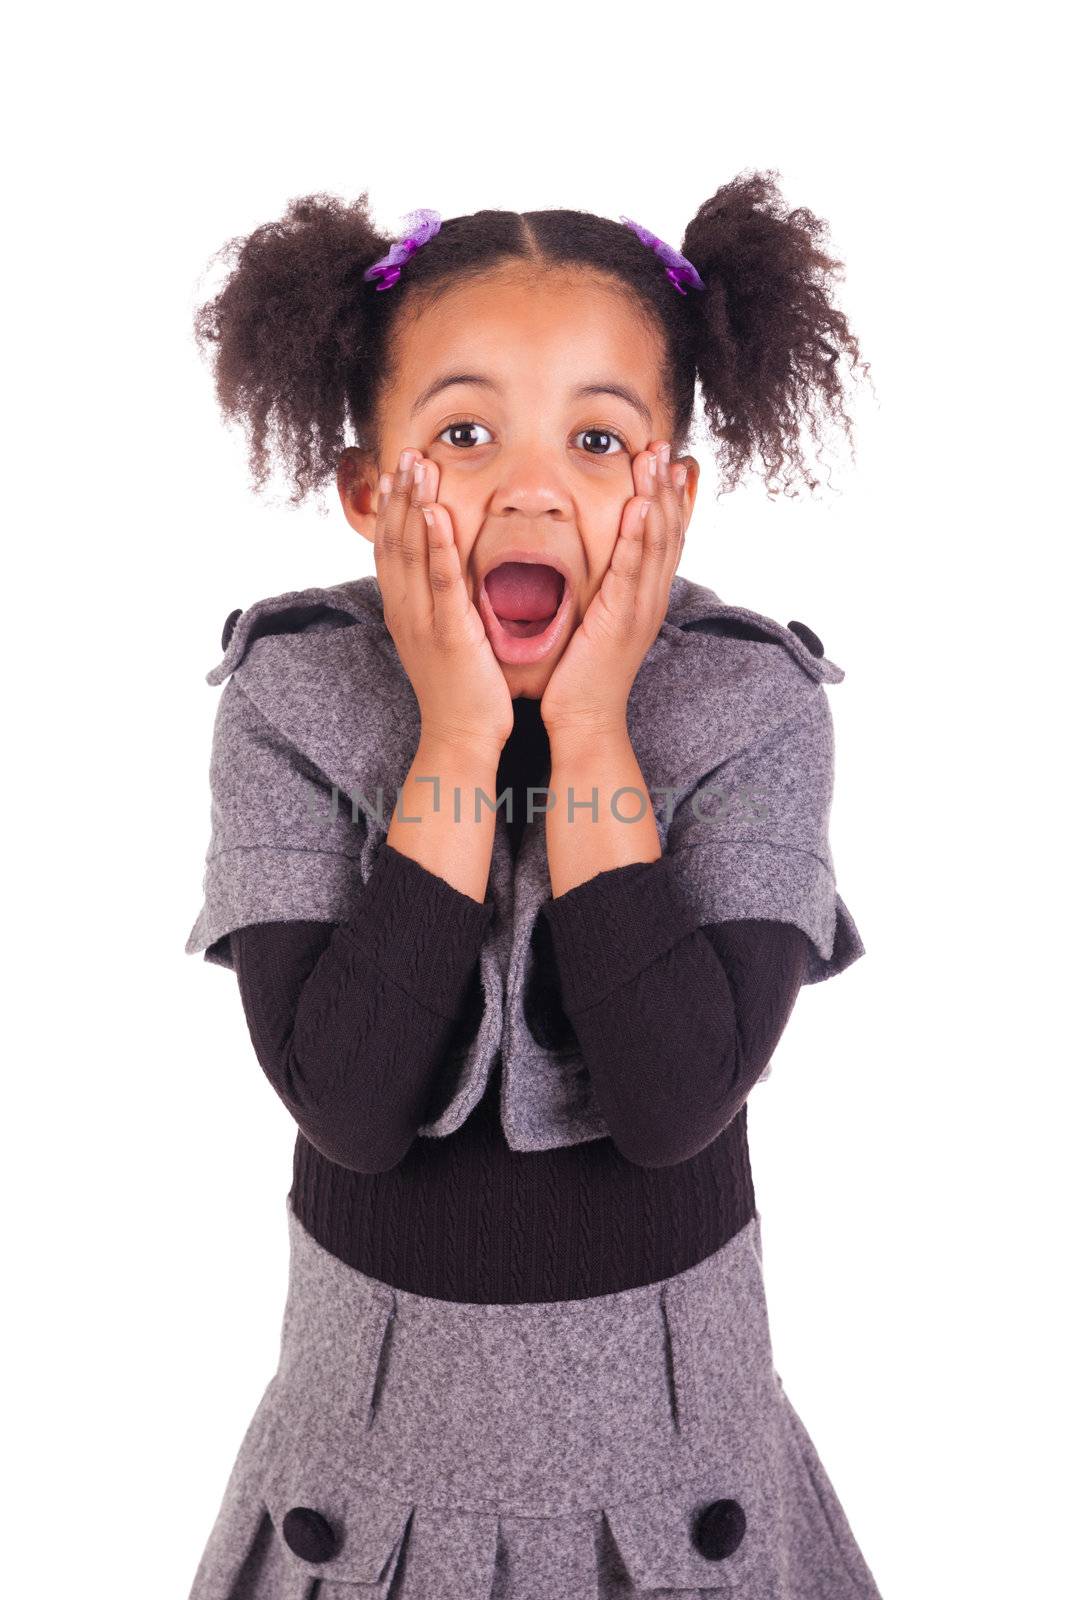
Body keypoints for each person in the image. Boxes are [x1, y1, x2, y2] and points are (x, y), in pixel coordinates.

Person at [184, 174, 882, 1597]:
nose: (532, 486)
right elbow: (354, 1107)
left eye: (598, 438)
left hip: (676, 1479)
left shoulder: (754, 708)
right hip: (363, 1490)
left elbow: (678, 1097)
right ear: (370, 489)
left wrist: (592, 731)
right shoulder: (290, 696)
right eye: (463, 431)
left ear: (672, 493)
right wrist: (451, 736)